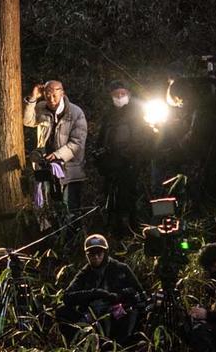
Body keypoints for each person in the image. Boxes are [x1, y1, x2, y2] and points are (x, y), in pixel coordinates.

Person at [57, 233, 143, 345]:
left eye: (99, 253)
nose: (96, 257)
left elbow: (139, 291)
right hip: (92, 315)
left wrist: (118, 296)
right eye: (92, 254)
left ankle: (122, 345)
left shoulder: (120, 268)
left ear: (105, 253)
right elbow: (67, 296)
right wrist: (95, 293)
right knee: (62, 311)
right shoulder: (85, 273)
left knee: (130, 313)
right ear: (87, 255)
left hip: (116, 313)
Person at [24, 80, 88, 212]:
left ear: (62, 93)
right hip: (46, 167)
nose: (51, 99)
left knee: (71, 209)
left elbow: (78, 142)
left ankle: (74, 232)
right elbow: (27, 121)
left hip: (70, 170)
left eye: (55, 95)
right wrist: (33, 98)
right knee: (50, 209)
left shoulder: (76, 112)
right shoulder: (41, 107)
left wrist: (58, 155)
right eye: (47, 95)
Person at [96, 82, 148, 238]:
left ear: (128, 95)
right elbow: (102, 137)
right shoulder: (108, 115)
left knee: (129, 198)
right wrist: (99, 154)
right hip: (111, 165)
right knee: (111, 198)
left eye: (122, 94)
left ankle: (132, 229)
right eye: (116, 94)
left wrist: (129, 155)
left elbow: (141, 139)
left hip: (129, 164)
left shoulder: (136, 114)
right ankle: (115, 230)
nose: (119, 97)